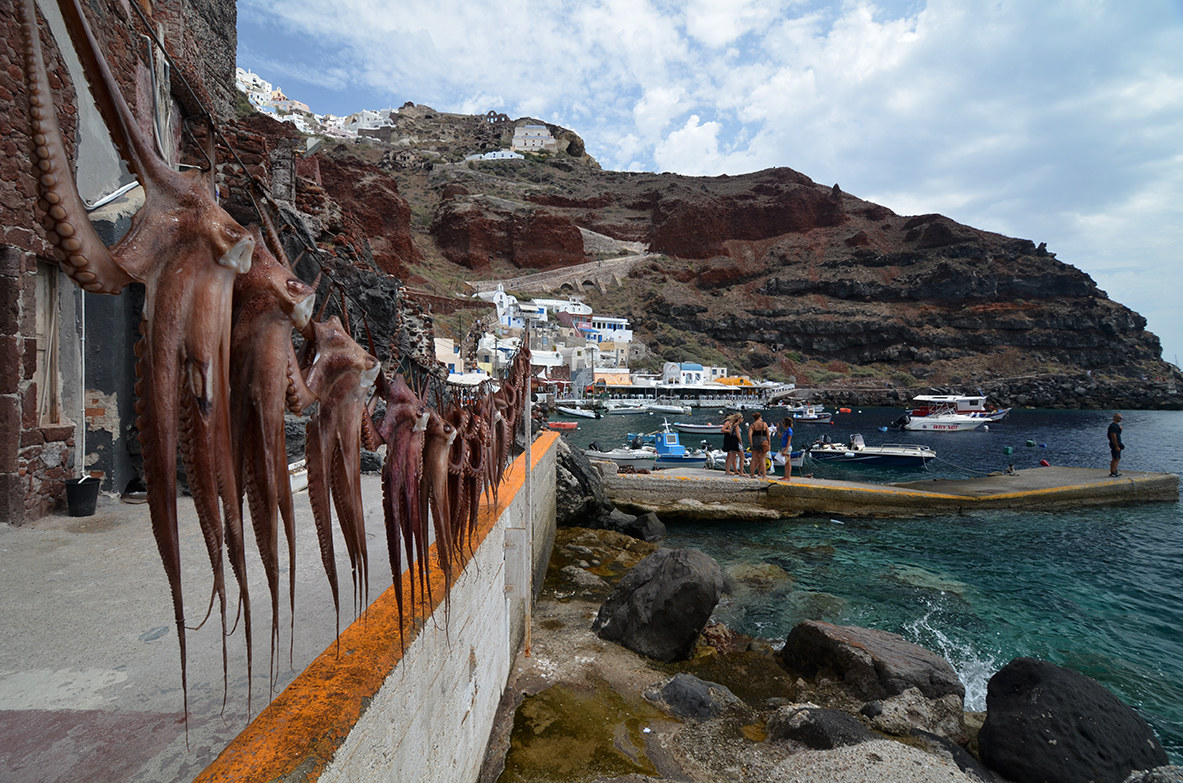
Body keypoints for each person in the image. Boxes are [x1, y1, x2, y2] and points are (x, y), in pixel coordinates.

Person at [748, 412, 770, 479]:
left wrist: (751, 443)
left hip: (755, 441)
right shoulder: (764, 424)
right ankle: (764, 475)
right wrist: (769, 443)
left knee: (754, 459)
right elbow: (768, 435)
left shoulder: (752, 425)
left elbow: (749, 435)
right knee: (762, 459)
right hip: (763, 441)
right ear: (760, 417)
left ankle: (752, 474)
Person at [1107, 412, 1124, 477]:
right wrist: (1116, 446)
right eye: (1120, 418)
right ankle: (1112, 472)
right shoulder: (1113, 426)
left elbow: (1118, 435)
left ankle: (1115, 470)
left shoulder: (1116, 426)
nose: (1121, 419)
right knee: (1115, 458)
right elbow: (1113, 436)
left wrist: (1120, 430)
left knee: (1118, 458)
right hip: (1115, 444)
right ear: (1116, 418)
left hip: (1117, 443)